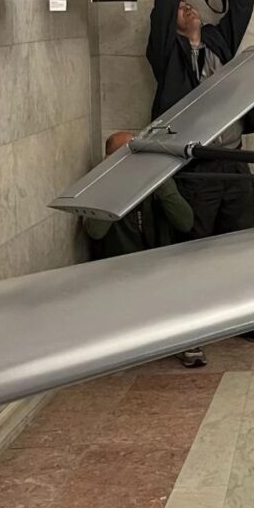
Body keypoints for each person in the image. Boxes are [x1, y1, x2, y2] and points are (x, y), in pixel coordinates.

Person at [147, 0, 254, 344]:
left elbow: (243, 4)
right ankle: (191, 331)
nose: (189, 10)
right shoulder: (166, 54)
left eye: (191, 6)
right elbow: (162, 9)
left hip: (234, 161)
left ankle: (241, 317)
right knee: (193, 247)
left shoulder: (219, 40)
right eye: (182, 9)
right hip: (194, 167)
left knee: (240, 241)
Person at [82, 132, 208, 367]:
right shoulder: (99, 185)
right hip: (120, 268)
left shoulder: (158, 181)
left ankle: (183, 340)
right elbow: (95, 231)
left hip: (158, 263)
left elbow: (185, 222)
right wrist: (115, 185)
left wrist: (161, 186)